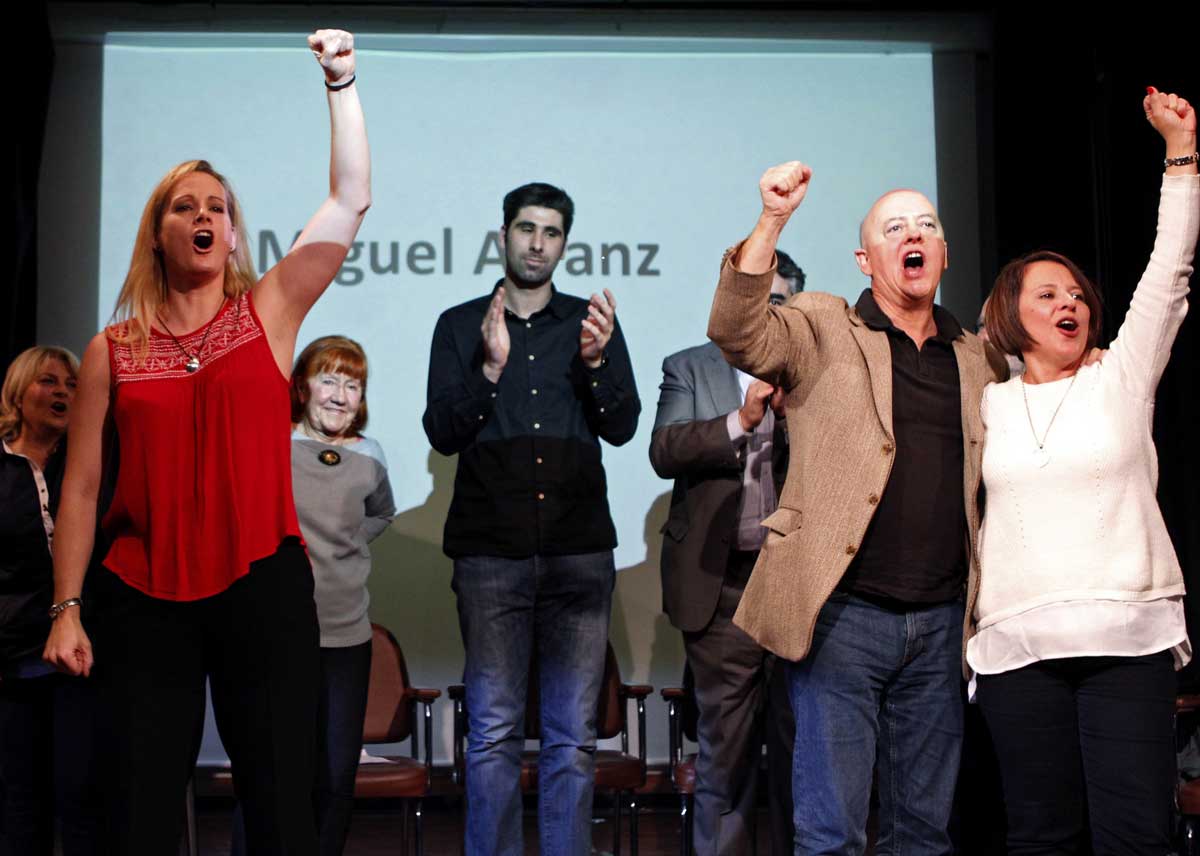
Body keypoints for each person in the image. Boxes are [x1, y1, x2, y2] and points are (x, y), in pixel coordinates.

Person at [42, 30, 370, 855]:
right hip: (139, 593)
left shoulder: (267, 313)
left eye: (216, 207)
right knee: (141, 811)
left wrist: (342, 84)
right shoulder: (110, 350)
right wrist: (68, 607)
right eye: (183, 206)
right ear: (158, 233)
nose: (202, 215)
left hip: (261, 583)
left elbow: (351, 198)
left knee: (282, 806)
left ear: (230, 235)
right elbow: (79, 490)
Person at [707, 163, 1007, 854]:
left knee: (924, 834)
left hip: (939, 626)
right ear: (865, 258)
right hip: (842, 619)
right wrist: (772, 220)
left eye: (927, 225)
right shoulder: (822, 326)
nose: (915, 234)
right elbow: (735, 328)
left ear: (944, 253)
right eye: (894, 226)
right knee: (831, 833)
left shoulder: (975, 357)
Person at [969, 88, 1197, 855]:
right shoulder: (988, 403)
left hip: (1125, 641)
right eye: (1047, 294)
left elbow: (1169, 272)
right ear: (1009, 314)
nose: (1070, 303)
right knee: (1042, 837)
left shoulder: (1120, 378)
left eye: (1077, 295)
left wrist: (1179, 154)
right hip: (1017, 647)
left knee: (1136, 835)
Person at [422, 182, 640, 856]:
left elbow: (625, 425)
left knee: (571, 739)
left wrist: (598, 364)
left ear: (564, 244)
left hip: (578, 556)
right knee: (490, 734)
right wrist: (489, 371)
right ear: (503, 235)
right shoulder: (460, 324)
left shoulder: (589, 325)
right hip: (492, 556)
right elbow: (443, 432)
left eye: (551, 232)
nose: (537, 242)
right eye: (526, 229)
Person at [650, 251, 803, 855]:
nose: (768, 314)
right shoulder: (689, 367)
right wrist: (741, 420)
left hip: (798, 590)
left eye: (781, 302)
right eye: (756, 300)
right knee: (726, 752)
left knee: (805, 753)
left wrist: (798, 419)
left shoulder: (815, 374)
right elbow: (667, 449)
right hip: (723, 591)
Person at [231, 335, 395, 856]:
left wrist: (347, 544)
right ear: (302, 387)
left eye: (353, 385)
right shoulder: (273, 443)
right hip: (278, 631)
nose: (340, 396)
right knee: (273, 773)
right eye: (329, 380)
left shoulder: (369, 454)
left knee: (335, 775)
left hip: (347, 633)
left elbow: (381, 513)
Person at [0, 346, 102, 856]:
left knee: (82, 795)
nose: (63, 392)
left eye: (71, 384)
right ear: (18, 395)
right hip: (12, 659)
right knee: (20, 802)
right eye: (48, 382)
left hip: (80, 660)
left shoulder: (88, 466)